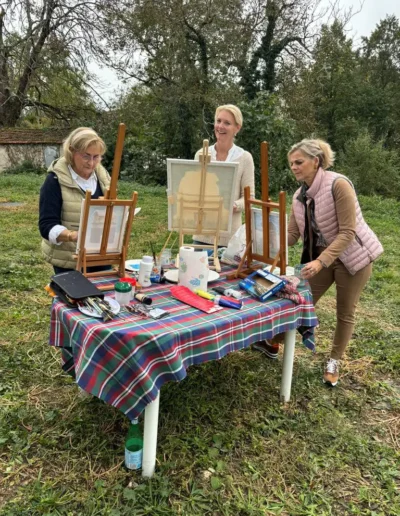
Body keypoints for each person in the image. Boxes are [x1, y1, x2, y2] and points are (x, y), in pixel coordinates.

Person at [254, 139, 383, 387]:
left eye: (299, 162)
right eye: (291, 163)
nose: (294, 167)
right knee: (300, 300)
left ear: (316, 161)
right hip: (322, 260)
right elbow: (292, 234)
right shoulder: (298, 196)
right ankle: (273, 341)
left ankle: (334, 361)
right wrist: (265, 241)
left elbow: (347, 232)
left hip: (353, 258)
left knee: (345, 313)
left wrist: (321, 262)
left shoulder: (339, 185)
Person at [39, 127, 111, 274]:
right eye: (86, 156)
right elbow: (47, 226)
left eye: (96, 157)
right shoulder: (54, 180)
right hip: (69, 259)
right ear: (72, 151)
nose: (91, 163)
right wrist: (73, 235)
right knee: (75, 297)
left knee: (104, 296)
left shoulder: (103, 178)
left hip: (100, 255)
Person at [192, 104, 255, 247]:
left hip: (231, 239)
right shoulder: (201, 154)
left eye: (227, 123)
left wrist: (233, 205)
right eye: (218, 121)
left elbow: (249, 197)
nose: (220, 126)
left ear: (237, 128)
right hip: (202, 235)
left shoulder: (245, 158)